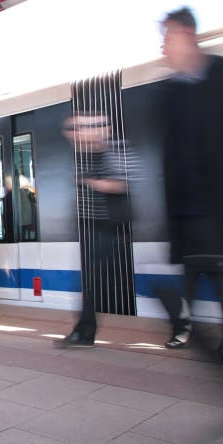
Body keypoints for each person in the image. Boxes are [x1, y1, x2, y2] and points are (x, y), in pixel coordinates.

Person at [155, 7, 223, 444]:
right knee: (219, 341)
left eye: (167, 37)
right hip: (192, 238)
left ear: (187, 34)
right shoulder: (169, 94)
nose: (163, 47)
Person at [56, 114, 131, 348]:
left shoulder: (115, 151)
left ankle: (179, 319)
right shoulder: (85, 154)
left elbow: (121, 183)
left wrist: (88, 181)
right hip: (90, 226)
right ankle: (85, 332)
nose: (74, 134)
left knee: (96, 282)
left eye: (79, 129)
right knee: (91, 283)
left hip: (107, 227)